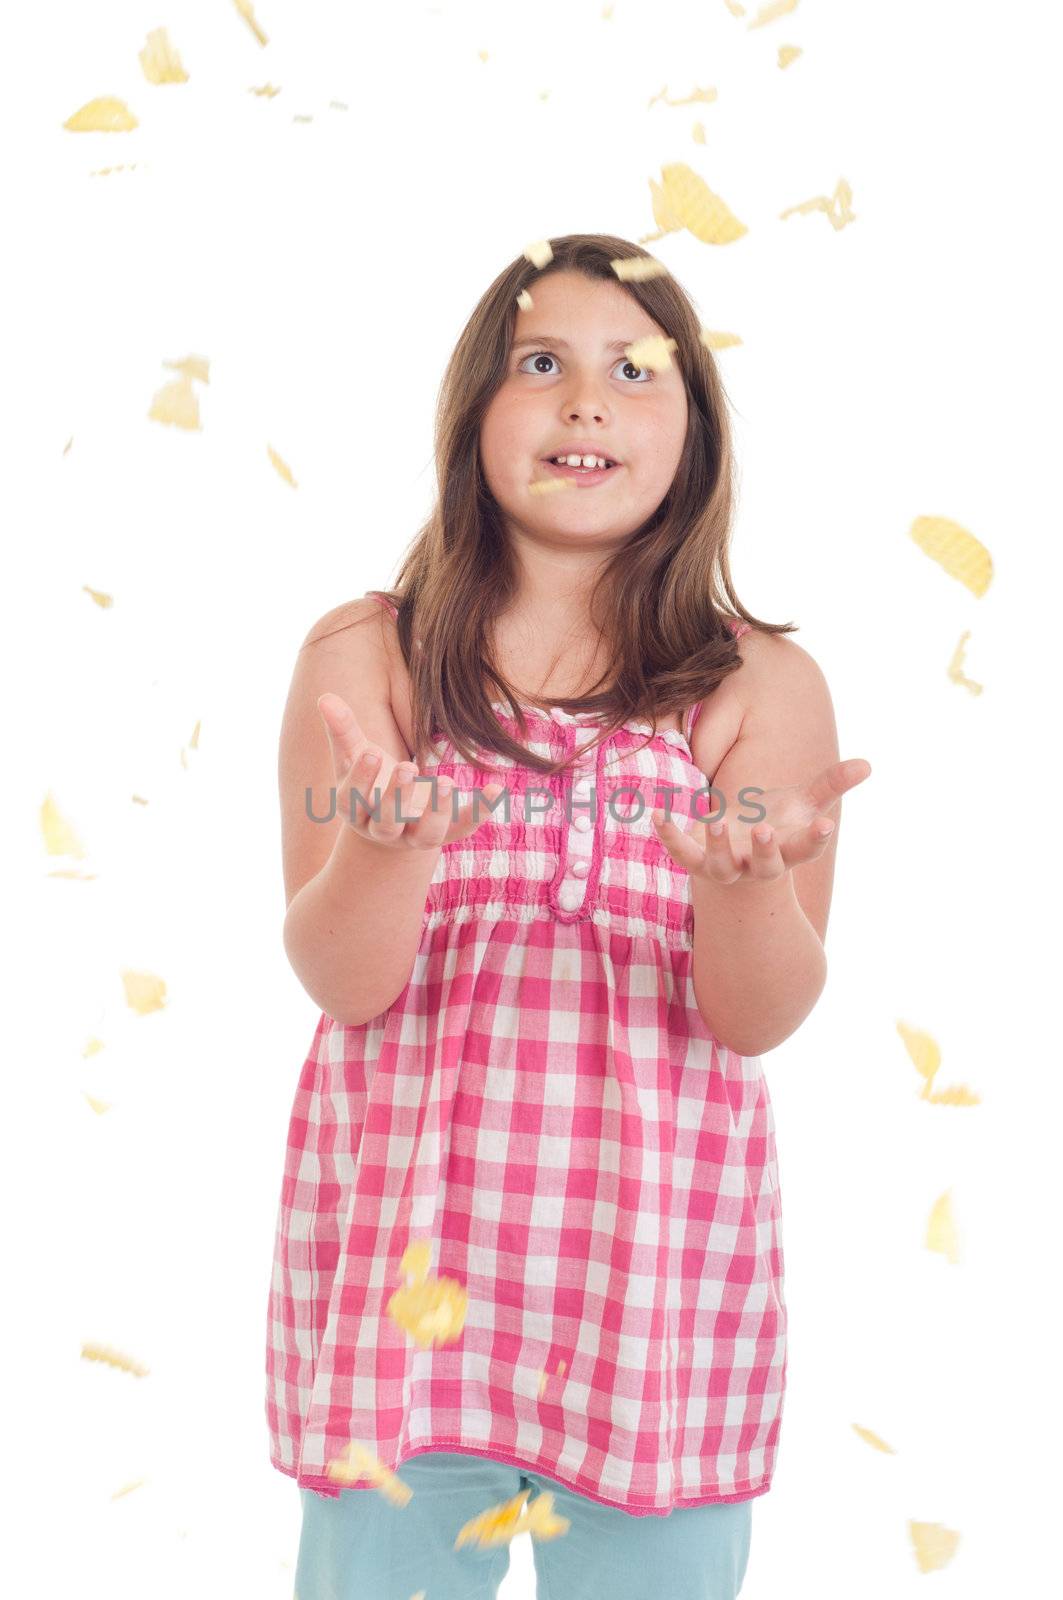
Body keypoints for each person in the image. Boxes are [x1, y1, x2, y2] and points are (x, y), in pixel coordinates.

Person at [265, 233, 871, 1600]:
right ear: (474, 411)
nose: (585, 401)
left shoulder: (758, 685)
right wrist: (382, 856)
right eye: (542, 365)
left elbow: (755, 1016)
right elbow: (341, 981)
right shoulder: (369, 656)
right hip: (409, 1324)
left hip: (653, 1320)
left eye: (633, 370)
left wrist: (748, 888)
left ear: (697, 435)